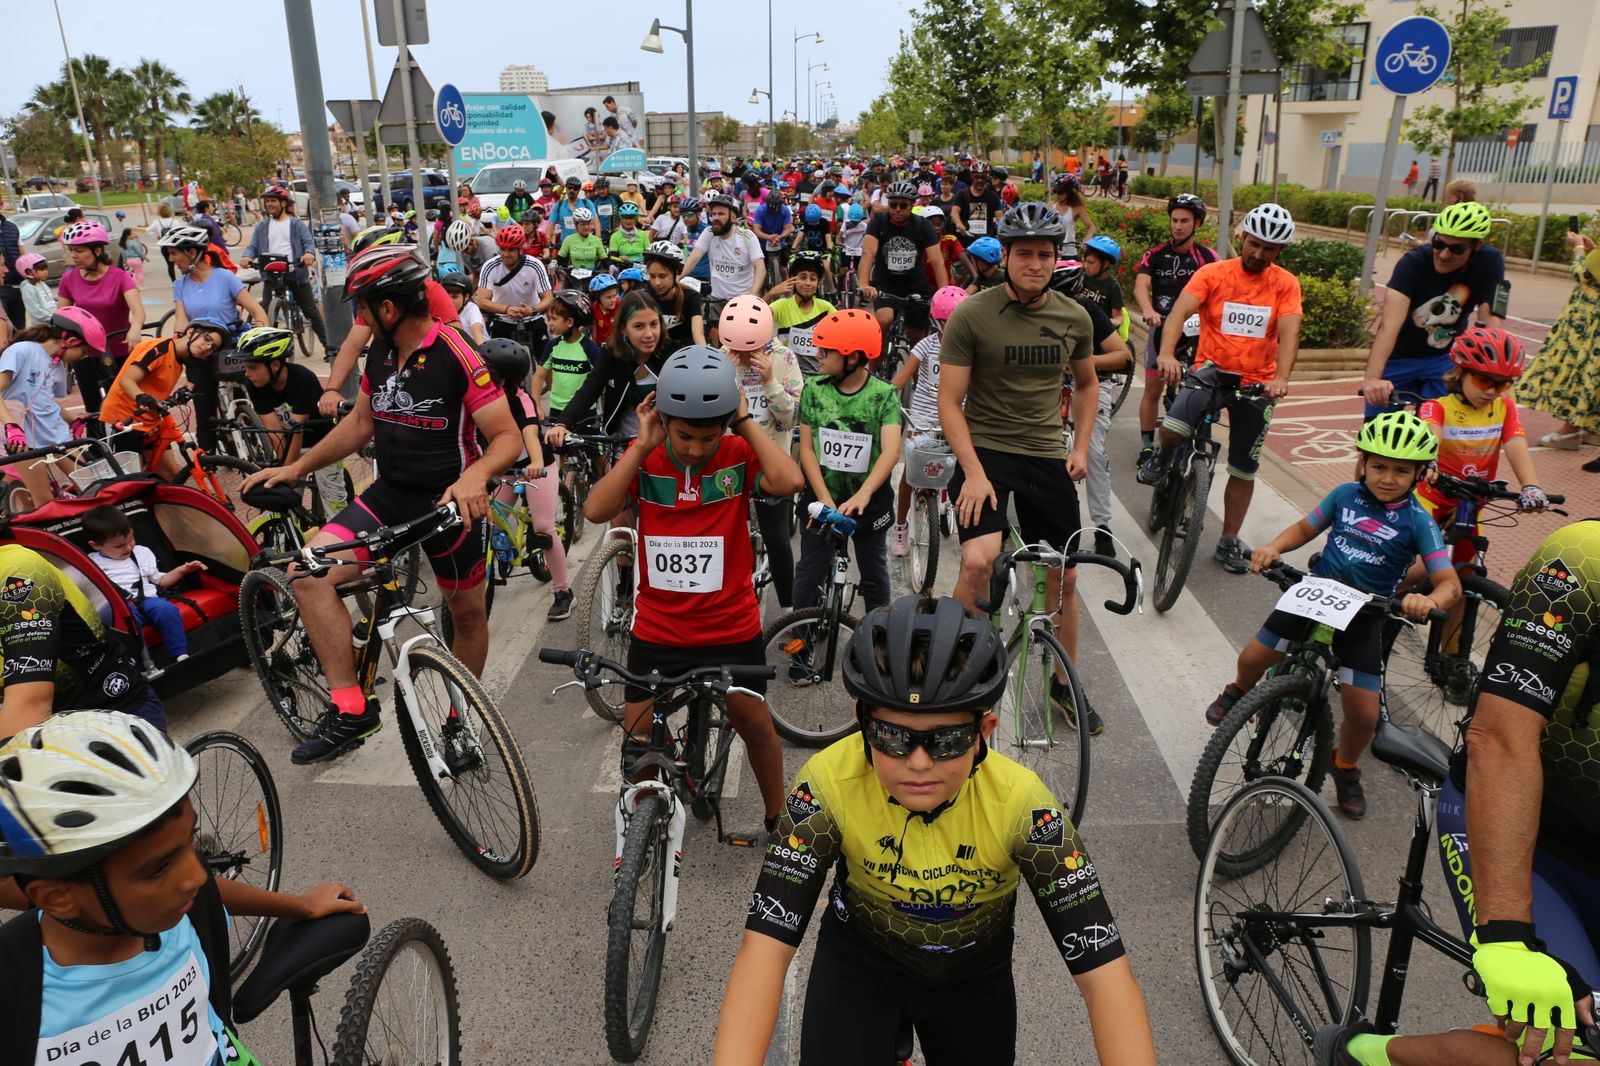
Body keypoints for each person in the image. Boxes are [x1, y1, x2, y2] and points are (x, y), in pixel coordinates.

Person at [713, 595, 1158, 1066]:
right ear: (862, 725)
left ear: (984, 730)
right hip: (860, 966)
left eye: (946, 740)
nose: (919, 763)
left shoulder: (1024, 805)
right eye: (892, 738)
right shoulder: (826, 784)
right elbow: (765, 949)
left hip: (972, 983)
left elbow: (1105, 978)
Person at [1315, 520, 1600, 1066]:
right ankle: (1365, 1055)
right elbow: (1500, 737)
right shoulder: (1580, 559)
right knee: (1563, 1052)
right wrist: (1509, 934)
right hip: (1533, 840)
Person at [242, 243, 522, 763]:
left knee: (465, 617)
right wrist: (296, 467)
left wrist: (477, 476)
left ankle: (461, 721)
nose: (359, 318)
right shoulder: (381, 353)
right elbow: (360, 424)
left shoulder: (457, 353)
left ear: (387, 309)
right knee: (308, 574)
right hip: (388, 496)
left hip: (447, 508)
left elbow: (508, 438)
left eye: (361, 308)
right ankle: (351, 708)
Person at [0, 711, 368, 1066]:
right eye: (159, 868)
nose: (195, 875)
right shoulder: (17, 989)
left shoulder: (183, 913)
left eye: (190, 841)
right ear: (57, 897)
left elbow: (211, 890)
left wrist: (300, 905)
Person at [581, 345, 803, 832]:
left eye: (709, 436)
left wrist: (744, 422)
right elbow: (596, 511)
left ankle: (777, 819)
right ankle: (644, 822)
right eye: (684, 435)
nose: (696, 448)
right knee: (638, 740)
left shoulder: (738, 452)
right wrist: (640, 445)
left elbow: (787, 481)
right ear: (663, 418)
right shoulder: (648, 458)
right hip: (659, 628)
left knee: (757, 727)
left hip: (730, 626)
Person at [1206, 412, 1460, 820]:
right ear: (1362, 464)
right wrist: (1273, 546)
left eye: (1401, 470)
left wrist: (1429, 601)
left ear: (1419, 474)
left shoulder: (1419, 522)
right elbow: (1305, 529)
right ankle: (1237, 690)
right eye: (1378, 465)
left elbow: (1448, 581)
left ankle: (1344, 765)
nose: (1388, 477)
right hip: (1316, 593)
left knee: (1363, 716)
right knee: (1253, 657)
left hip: (1366, 613)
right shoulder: (1344, 495)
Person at [939, 202, 1103, 732]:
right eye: (1025, 254)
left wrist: (1078, 448)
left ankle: (1063, 685)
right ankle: (960, 670)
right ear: (1004, 256)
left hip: (1043, 454)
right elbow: (948, 402)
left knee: (1065, 578)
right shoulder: (972, 314)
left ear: (1057, 259)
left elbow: (1086, 383)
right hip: (983, 451)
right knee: (978, 562)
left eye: (1046, 255)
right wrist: (976, 472)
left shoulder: (1072, 317)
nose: (1035, 264)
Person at [1140, 203, 1302, 574]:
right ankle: (1162, 458)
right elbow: (1179, 313)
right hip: (1209, 371)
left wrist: (1282, 378)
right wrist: (1166, 354)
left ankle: (1228, 539)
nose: (1259, 254)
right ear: (1242, 237)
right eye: (1254, 244)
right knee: (1174, 429)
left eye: (1270, 249)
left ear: (1280, 252)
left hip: (1256, 383)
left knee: (1244, 468)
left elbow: (1291, 332)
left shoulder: (1285, 284)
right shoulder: (1213, 272)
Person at [790, 308, 902, 678]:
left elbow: (890, 451)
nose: (817, 357)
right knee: (809, 572)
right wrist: (822, 499)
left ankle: (881, 645)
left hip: (867, 504)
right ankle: (799, 643)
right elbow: (806, 448)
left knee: (874, 575)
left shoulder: (884, 395)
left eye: (825, 352)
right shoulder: (813, 390)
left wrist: (865, 495)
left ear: (853, 357)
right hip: (823, 500)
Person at [1361, 202, 1505, 418]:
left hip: (1444, 358)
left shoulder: (1490, 261)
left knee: (1439, 435)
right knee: (1376, 436)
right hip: (1398, 357)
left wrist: (1490, 375)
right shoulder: (1413, 263)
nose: (1444, 254)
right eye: (1439, 244)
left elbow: (1490, 323)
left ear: (1477, 246)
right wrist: (1373, 378)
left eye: (1456, 249)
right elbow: (1388, 326)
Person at [480, 336, 574, 621]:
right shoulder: (478, 398)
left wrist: (534, 462)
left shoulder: (522, 400)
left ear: (504, 378)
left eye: (486, 373)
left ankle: (563, 591)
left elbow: (531, 434)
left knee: (544, 527)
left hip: (537, 468)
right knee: (484, 518)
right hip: (503, 470)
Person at [719, 295, 801, 612]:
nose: (742, 355)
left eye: (749, 348)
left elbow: (792, 417)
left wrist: (770, 381)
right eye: (736, 348)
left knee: (777, 538)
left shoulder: (784, 358)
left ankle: (788, 609)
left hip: (771, 464)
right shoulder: (723, 359)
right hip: (731, 461)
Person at [157, 225, 267, 453]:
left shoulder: (224, 277)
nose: (171, 259)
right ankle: (208, 463)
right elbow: (180, 321)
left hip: (229, 347)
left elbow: (257, 310)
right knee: (203, 409)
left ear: (191, 251)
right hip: (198, 351)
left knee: (257, 394)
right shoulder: (180, 285)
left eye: (174, 253)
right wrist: (177, 343)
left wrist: (261, 328)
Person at [1053, 260, 1132, 559]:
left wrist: (1082, 365)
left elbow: (1123, 358)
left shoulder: (1088, 310)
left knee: (1094, 454)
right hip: (1048, 385)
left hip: (1090, 384)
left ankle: (1102, 526)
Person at [1134, 193, 1218, 463]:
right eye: (1174, 220)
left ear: (1197, 224)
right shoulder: (1156, 254)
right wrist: (1148, 310)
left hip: (1196, 331)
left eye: (1184, 221)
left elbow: (1222, 291)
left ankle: (1197, 435)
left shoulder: (1208, 257)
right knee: (1152, 389)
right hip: (1161, 326)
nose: (1178, 226)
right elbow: (1141, 285)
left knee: (1202, 387)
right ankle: (1148, 445)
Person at [234, 326, 348, 514]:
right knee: (280, 499)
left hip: (323, 443)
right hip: (290, 444)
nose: (247, 373)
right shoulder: (254, 384)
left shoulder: (303, 379)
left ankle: (342, 534)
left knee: (333, 502)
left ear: (276, 365)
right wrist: (283, 469)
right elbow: (276, 432)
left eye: (253, 367)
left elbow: (297, 431)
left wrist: (288, 470)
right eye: (245, 367)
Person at [101, 319, 231, 481]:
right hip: (124, 419)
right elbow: (126, 381)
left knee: (171, 477)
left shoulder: (179, 359)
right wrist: (142, 397)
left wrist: (178, 395)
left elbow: (156, 387)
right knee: (129, 482)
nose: (207, 348)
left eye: (213, 348)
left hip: (149, 421)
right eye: (207, 339)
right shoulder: (160, 349)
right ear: (191, 332)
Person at [891, 285, 967, 556]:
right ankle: (900, 526)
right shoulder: (926, 344)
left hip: (958, 419)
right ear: (936, 321)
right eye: (948, 322)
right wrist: (885, 396)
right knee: (911, 474)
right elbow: (902, 377)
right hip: (922, 418)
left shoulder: (972, 347)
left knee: (965, 471)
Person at [0, 309, 105, 501]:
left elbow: (45, 398)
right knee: (45, 502)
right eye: (84, 351)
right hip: (22, 439)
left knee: (93, 486)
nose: (84, 357)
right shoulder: (22, 350)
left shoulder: (58, 365)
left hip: (56, 434)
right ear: (71, 342)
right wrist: (10, 426)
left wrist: (72, 419)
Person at [83, 505, 206, 664]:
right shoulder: (91, 563)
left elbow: (160, 581)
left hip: (148, 599)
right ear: (96, 545)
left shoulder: (142, 552)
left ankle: (180, 653)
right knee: (127, 622)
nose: (128, 547)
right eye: (120, 546)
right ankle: (139, 661)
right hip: (122, 607)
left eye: (131, 540)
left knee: (166, 609)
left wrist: (182, 570)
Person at [1514, 230, 1600, 451]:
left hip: (1588, 322)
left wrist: (1578, 248)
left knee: (1578, 371)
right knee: (1591, 374)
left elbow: (1582, 273)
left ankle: (1569, 431)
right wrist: (1592, 249)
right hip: (1590, 321)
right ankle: (1591, 430)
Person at [56, 220, 143, 419]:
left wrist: (135, 327)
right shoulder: (69, 279)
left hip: (119, 350)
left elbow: (138, 311)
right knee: (93, 410)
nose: (73, 256)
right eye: (71, 250)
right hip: (85, 353)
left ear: (97, 251)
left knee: (126, 407)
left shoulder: (120, 277)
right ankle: (98, 448)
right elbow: (61, 315)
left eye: (79, 251)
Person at [240, 186, 329, 355]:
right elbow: (252, 247)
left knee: (310, 310)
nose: (269, 204)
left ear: (283, 203)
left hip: (295, 271)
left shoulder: (296, 224)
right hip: (271, 273)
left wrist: (308, 254)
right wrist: (247, 257)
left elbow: (308, 243)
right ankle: (264, 346)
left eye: (273, 201)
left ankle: (329, 348)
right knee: (264, 310)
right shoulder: (262, 227)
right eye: (267, 201)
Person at [859, 181, 947, 336]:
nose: (897, 209)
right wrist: (864, 283)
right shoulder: (878, 222)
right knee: (884, 320)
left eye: (903, 205)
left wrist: (943, 294)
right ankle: (875, 361)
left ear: (912, 205)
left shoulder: (923, 225)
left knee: (916, 334)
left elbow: (937, 262)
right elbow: (868, 253)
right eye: (893, 205)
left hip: (916, 286)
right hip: (885, 285)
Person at [681, 193, 766, 344]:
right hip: (716, 300)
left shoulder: (747, 237)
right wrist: (678, 277)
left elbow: (760, 268)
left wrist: (752, 295)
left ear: (733, 217)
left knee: (739, 342)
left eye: (721, 214)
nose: (715, 218)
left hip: (742, 301)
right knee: (717, 343)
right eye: (713, 214)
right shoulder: (708, 233)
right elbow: (693, 258)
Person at [531, 290, 604, 432]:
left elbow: (601, 379)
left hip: (584, 411)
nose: (549, 323)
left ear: (569, 322)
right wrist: (537, 406)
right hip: (557, 410)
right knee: (562, 451)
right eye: (548, 318)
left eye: (553, 319)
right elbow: (539, 376)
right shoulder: (553, 345)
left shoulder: (589, 347)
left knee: (594, 453)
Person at [475, 222, 553, 353]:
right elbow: (482, 300)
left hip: (533, 318)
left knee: (546, 360)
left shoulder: (535, 265)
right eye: (502, 249)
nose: (505, 254)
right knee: (498, 364)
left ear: (520, 249)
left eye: (510, 250)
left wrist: (533, 310)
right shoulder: (489, 267)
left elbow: (548, 297)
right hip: (503, 319)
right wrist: (506, 309)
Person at [765, 251, 835, 377]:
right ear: (792, 280)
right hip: (788, 375)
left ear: (818, 283)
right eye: (802, 277)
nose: (808, 283)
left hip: (820, 376)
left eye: (813, 278)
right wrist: (771, 294)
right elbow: (753, 317)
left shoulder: (826, 308)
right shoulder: (782, 305)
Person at [642, 240, 706, 352]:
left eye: (662, 276)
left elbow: (698, 334)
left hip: (684, 356)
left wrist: (705, 358)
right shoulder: (645, 298)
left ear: (676, 273)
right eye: (652, 276)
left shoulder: (691, 296)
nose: (657, 283)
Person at [1079, 235, 1127, 340]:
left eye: (1091, 262)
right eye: (1085, 261)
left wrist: (1110, 322)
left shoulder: (1112, 286)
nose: (1085, 266)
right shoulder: (1084, 277)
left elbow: (1118, 317)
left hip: (1100, 331)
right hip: (1083, 326)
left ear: (1105, 264)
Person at [951, 162, 1003, 243]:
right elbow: (954, 211)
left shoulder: (993, 197)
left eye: (983, 177)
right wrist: (959, 223)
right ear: (971, 176)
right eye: (977, 177)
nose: (980, 180)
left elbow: (999, 216)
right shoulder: (962, 194)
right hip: (966, 238)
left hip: (987, 240)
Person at [751, 192, 794, 286]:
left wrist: (780, 236)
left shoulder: (785, 210)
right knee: (762, 272)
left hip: (780, 241)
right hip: (763, 242)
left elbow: (788, 228)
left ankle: (788, 294)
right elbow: (756, 229)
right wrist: (768, 237)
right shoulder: (760, 210)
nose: (774, 211)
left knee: (784, 269)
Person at [1050, 174, 1096, 260]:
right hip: (1052, 252)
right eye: (1055, 191)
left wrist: (1086, 240)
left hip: (1069, 254)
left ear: (1069, 192)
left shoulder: (1077, 208)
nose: (1057, 195)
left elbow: (1091, 227)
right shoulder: (1050, 205)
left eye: (1060, 192)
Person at [438, 270, 486, 344]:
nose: (450, 301)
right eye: (446, 296)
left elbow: (477, 332)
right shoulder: (438, 309)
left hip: (475, 350)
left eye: (454, 297)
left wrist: (481, 353)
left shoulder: (472, 309)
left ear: (466, 297)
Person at [556, 209, 606, 277]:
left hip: (592, 276)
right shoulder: (569, 239)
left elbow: (604, 259)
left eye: (588, 224)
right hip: (573, 278)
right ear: (576, 225)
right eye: (582, 224)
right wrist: (553, 263)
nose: (586, 227)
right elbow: (560, 257)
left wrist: (611, 265)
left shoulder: (596, 240)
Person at [549, 176, 597, 243]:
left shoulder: (587, 203)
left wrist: (598, 239)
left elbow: (596, 222)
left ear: (579, 190)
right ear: (566, 188)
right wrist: (547, 244)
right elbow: (550, 226)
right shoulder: (559, 205)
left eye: (575, 188)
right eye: (569, 187)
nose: (572, 190)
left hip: (584, 244)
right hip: (565, 245)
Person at [0, 206, 25, 329]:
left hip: (17, 286)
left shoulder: (12, 227)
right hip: (1, 286)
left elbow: (22, 253)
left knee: (19, 328)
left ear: (1, 204)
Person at [16, 253, 56, 326]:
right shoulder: (28, 288)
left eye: (46, 269)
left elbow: (50, 302)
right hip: (42, 327)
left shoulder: (42, 284)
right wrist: (53, 318)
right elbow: (35, 311)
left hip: (53, 323)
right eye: (41, 269)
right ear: (29, 272)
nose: (45, 272)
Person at [589, 272, 622, 344]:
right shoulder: (594, 308)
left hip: (615, 343)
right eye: (608, 297)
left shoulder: (619, 304)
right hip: (600, 344)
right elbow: (593, 327)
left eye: (615, 295)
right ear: (598, 297)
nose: (613, 300)